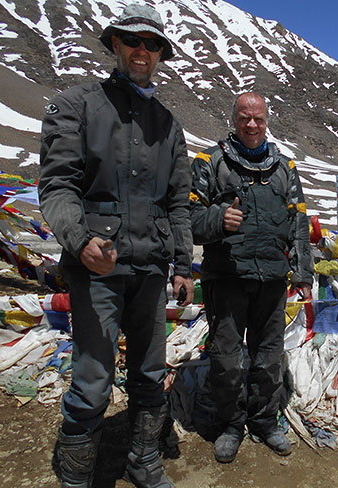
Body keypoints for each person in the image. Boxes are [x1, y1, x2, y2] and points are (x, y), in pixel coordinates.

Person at [38, 4, 194, 487]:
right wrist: (80, 239)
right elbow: (57, 186)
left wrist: (184, 263)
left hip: (150, 271)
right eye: (133, 41)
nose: (142, 51)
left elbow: (178, 205)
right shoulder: (76, 106)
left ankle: (142, 460)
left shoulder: (170, 126)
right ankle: (76, 476)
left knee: (149, 374)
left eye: (152, 44)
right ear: (116, 45)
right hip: (96, 270)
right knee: (92, 378)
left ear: (161, 54)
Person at [190, 92, 314, 463]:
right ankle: (230, 425)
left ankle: (263, 421)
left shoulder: (285, 168)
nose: (252, 125)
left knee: (268, 357)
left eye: (258, 118)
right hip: (226, 278)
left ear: (266, 120)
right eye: (244, 118)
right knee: (226, 357)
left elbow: (298, 225)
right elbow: (187, 219)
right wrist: (217, 220)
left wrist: (303, 272)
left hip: (272, 279)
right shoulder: (209, 162)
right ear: (234, 119)